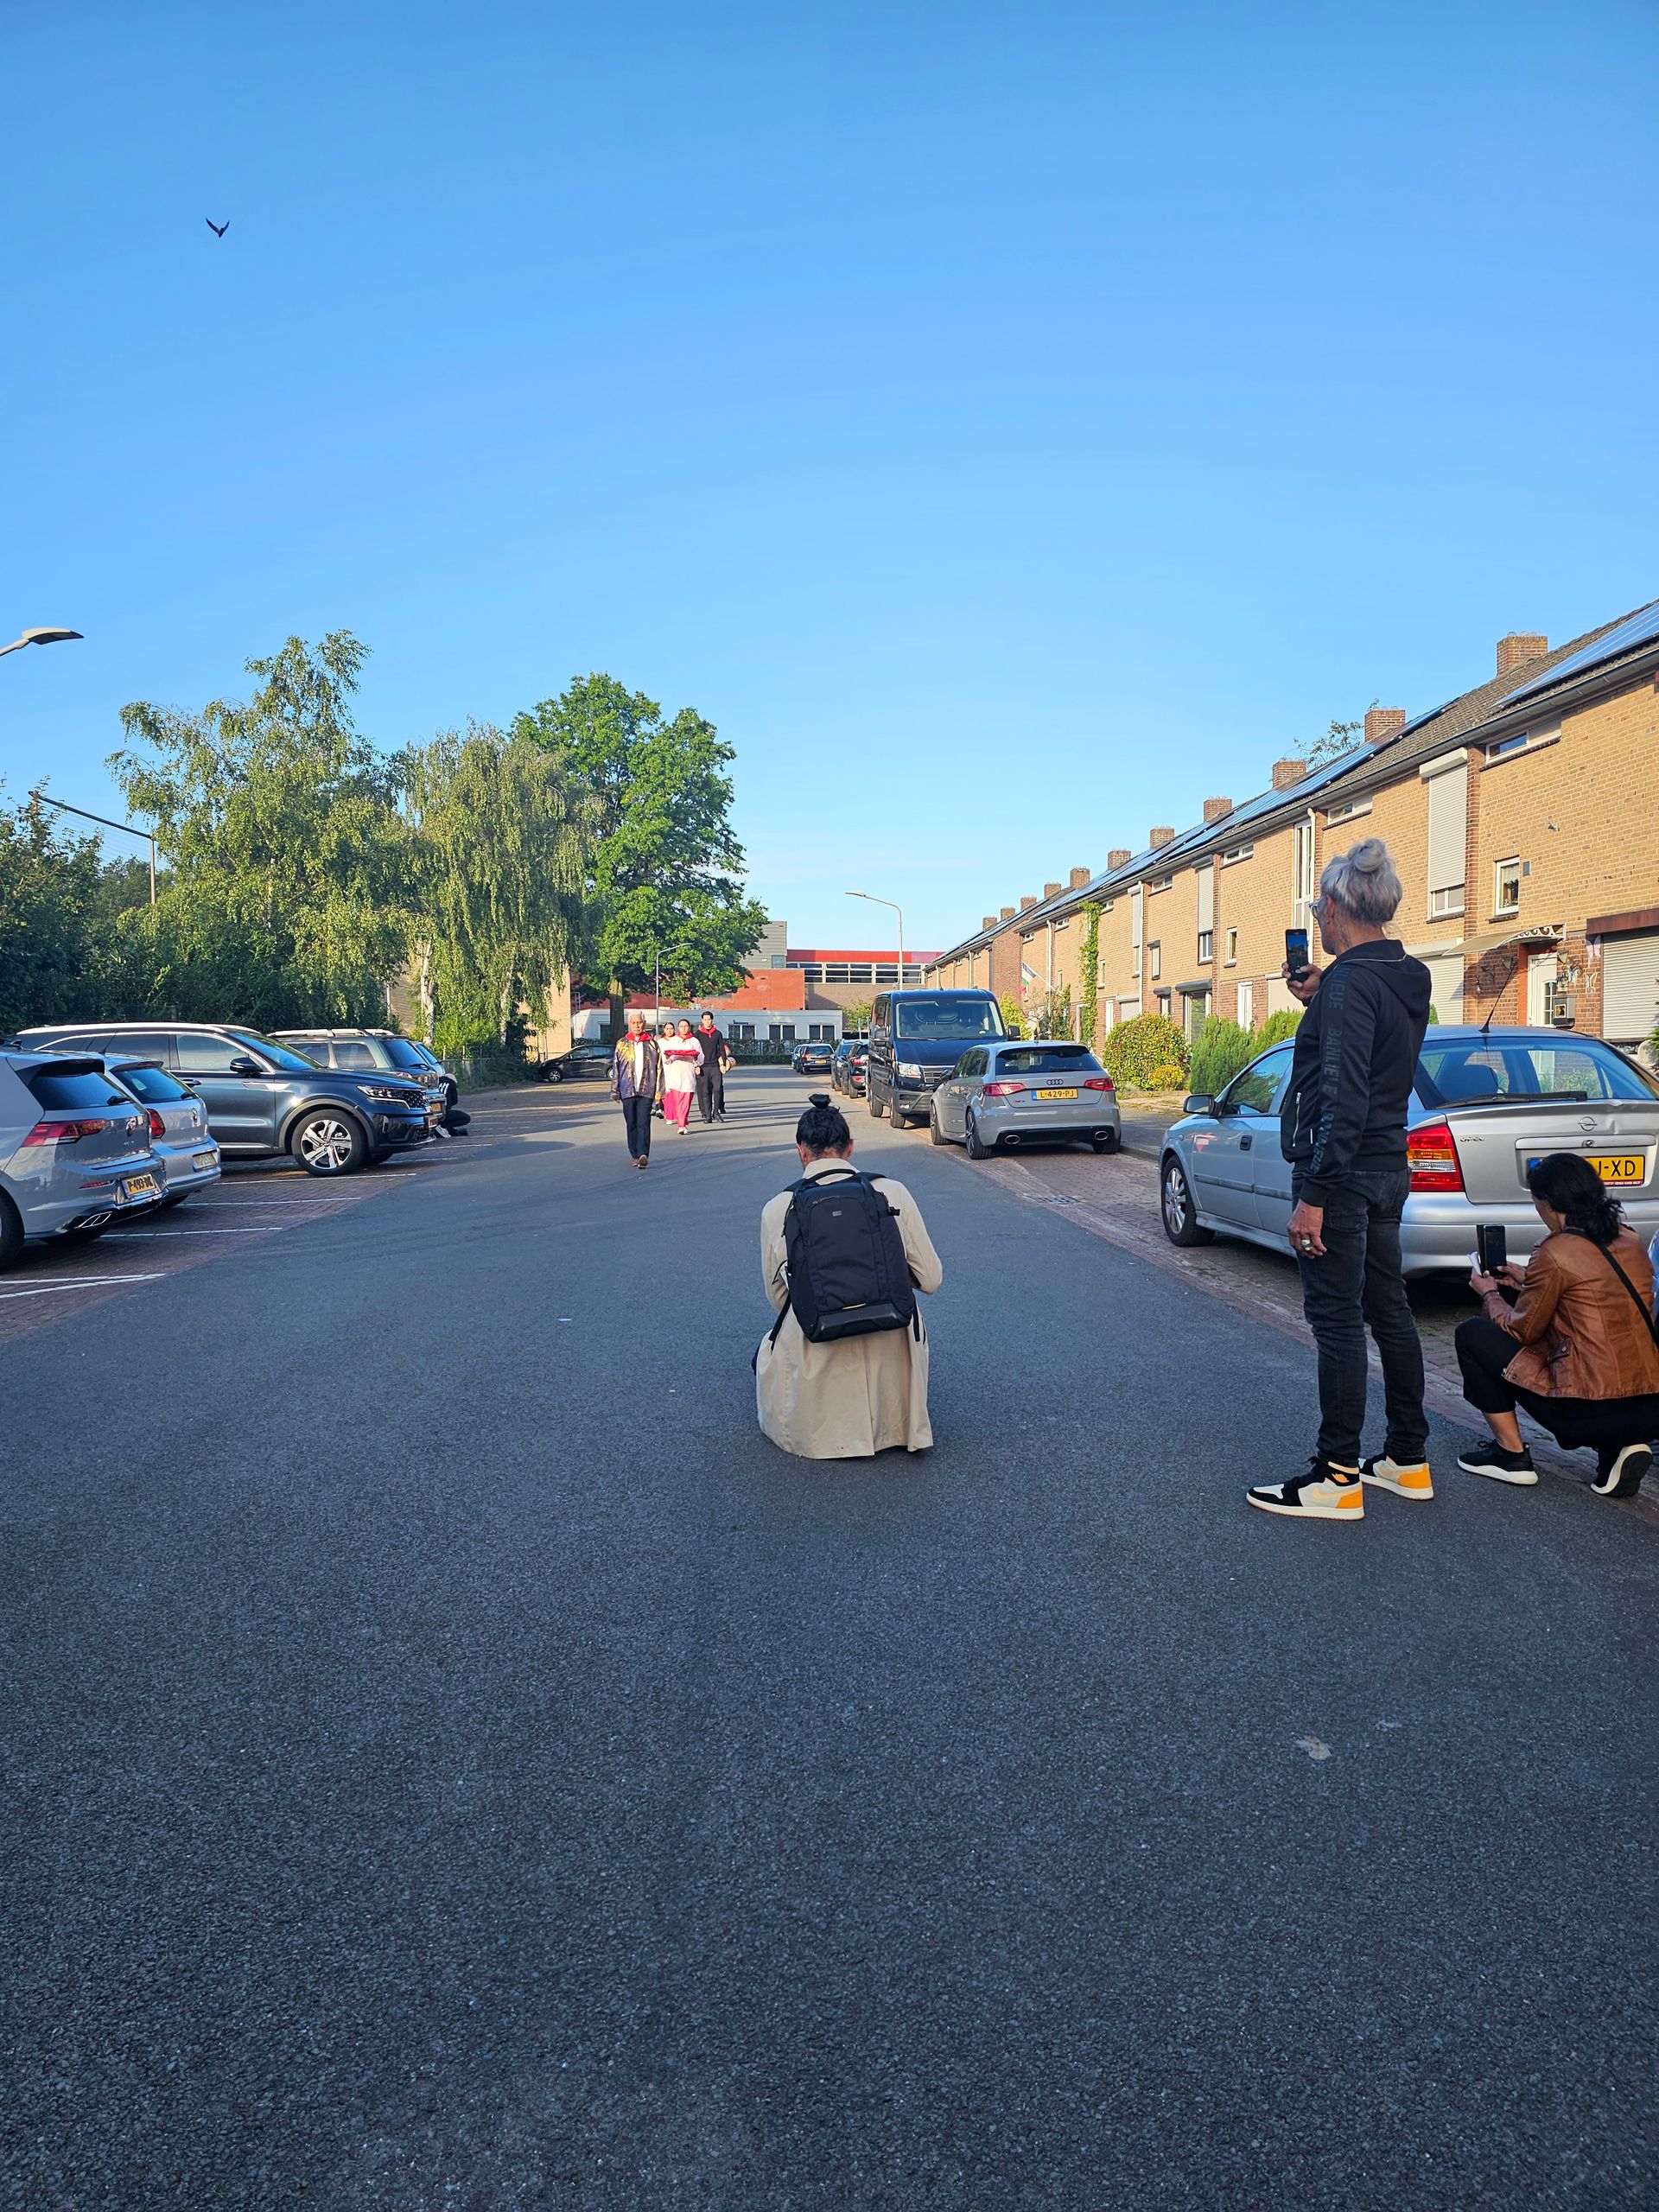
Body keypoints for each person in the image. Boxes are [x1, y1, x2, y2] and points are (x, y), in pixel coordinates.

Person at [1245, 837, 1433, 1522]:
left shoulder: (1353, 983)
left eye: (1319, 911)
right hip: (1389, 1167)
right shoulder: (1404, 974)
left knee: (1337, 1322)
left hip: (1344, 1177)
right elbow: (1374, 1048)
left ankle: (1337, 1475)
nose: (1317, 925)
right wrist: (1322, 997)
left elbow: (1343, 1091)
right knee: (1390, 1313)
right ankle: (1408, 1459)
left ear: (1332, 908)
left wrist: (1315, 1196)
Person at [1456, 1152, 1659, 1499]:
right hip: (1649, 1404)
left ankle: (1511, 1456)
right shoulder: (1630, 1239)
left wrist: (1490, 1293)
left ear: (1548, 1203)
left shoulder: (1556, 1250)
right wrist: (1527, 1281)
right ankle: (1617, 1449)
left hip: (1584, 1409)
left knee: (1473, 1334)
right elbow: (1593, 1296)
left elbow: (1521, 1331)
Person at [756, 1093, 944, 1459]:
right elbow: (932, 1280)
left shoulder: (778, 1208)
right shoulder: (892, 1192)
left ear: (801, 1151)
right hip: (889, 1328)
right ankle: (899, 1425)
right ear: (851, 1148)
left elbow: (779, 1300)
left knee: (776, 1341)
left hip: (819, 1338)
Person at [608, 1012, 660, 1169]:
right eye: (634, 1023)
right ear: (629, 1024)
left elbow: (659, 1069)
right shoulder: (622, 1044)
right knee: (631, 1123)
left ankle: (644, 1154)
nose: (637, 1025)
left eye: (639, 1022)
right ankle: (635, 1155)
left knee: (644, 1122)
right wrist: (615, 1090)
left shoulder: (652, 1044)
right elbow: (616, 1068)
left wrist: (659, 1092)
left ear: (644, 1023)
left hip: (646, 1089)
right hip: (627, 1089)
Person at [659, 1018, 703, 1133]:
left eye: (686, 1026)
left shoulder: (694, 1041)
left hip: (688, 1074)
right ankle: (681, 1125)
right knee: (678, 1101)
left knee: (686, 1101)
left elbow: (701, 1058)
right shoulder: (673, 1041)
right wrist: (668, 1057)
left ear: (689, 1027)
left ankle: (682, 1120)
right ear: (678, 1028)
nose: (684, 1028)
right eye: (681, 1026)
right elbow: (666, 1057)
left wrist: (695, 1058)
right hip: (675, 1074)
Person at [695, 1012, 733, 1123]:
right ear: (702, 1020)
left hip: (715, 1066)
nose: (707, 1021)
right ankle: (708, 1115)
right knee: (705, 1092)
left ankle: (716, 1112)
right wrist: (696, 1065)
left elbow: (722, 1049)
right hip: (703, 1066)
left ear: (712, 1020)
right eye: (705, 1019)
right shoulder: (698, 1034)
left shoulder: (717, 1034)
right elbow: (695, 1051)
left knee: (717, 1089)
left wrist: (724, 1064)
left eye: (709, 1019)